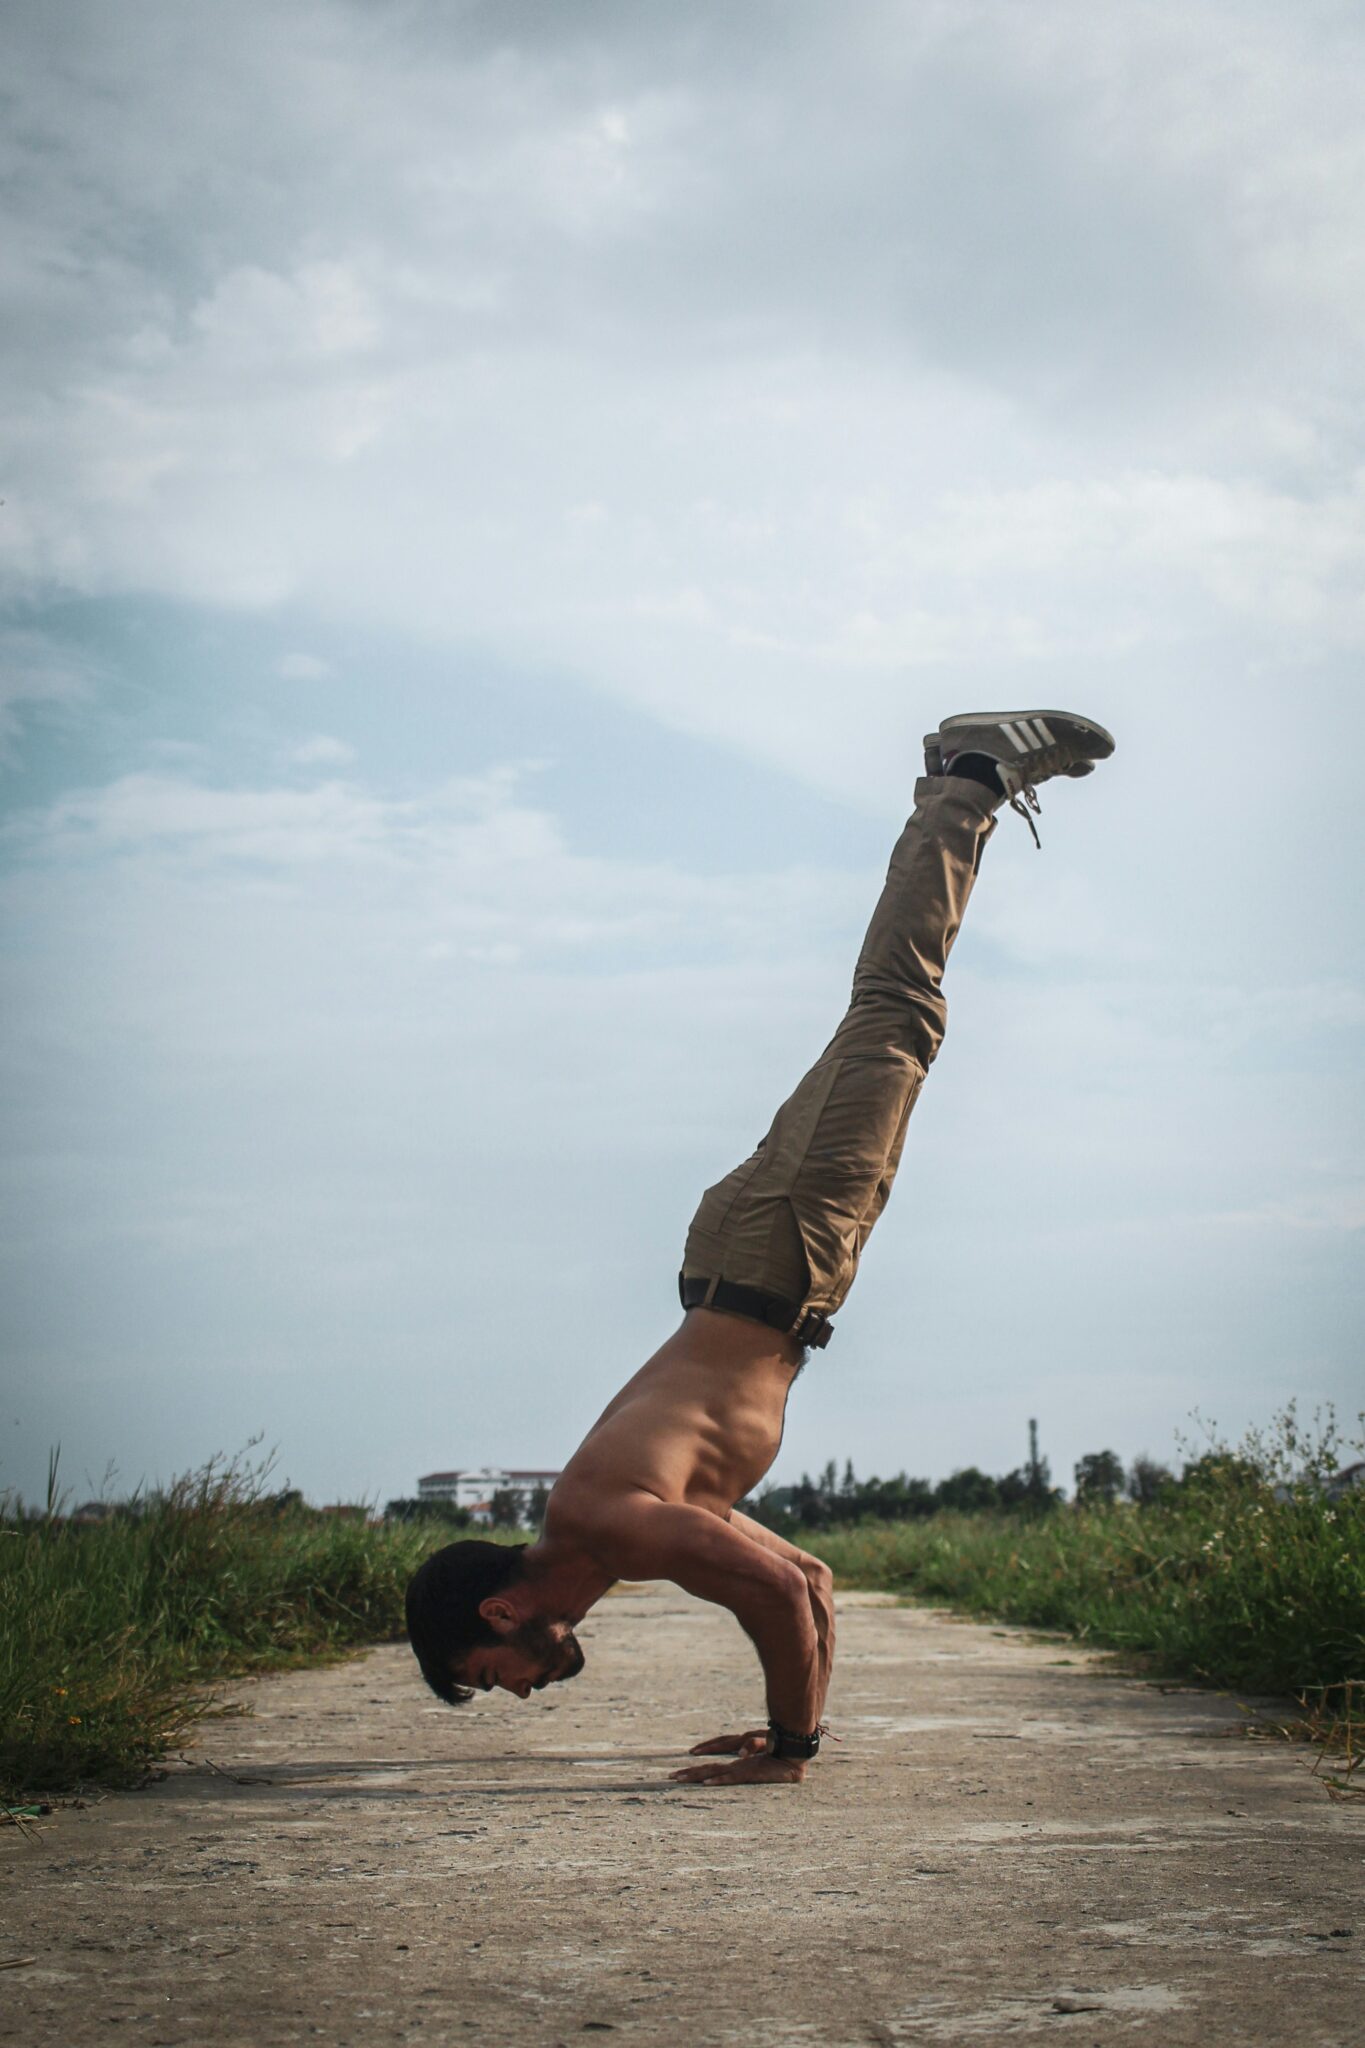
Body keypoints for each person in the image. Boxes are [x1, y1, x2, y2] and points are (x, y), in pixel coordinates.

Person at [405, 709, 1115, 1786]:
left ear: (502, 1610)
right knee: (891, 1017)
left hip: (773, 1255)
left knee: (898, 1013)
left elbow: (782, 1598)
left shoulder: (613, 1525)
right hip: (764, 1261)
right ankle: (955, 780)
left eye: (487, 1667)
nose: (512, 1688)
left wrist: (790, 1752)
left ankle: (969, 777)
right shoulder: (626, 1529)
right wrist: (792, 1731)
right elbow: (812, 1580)